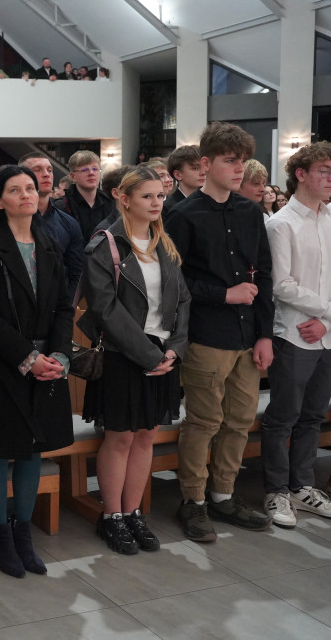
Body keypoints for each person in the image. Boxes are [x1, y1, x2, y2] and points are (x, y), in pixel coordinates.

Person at [0, 164, 73, 578]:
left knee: (31, 450)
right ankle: (0, 534)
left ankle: (24, 533)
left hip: (45, 363)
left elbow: (63, 308)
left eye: (30, 188)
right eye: (14, 189)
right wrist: (27, 357)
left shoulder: (50, 243)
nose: (26, 194)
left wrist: (59, 356)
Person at [166, 122, 274, 542]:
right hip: (207, 333)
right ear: (206, 164)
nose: (239, 169)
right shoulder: (182, 214)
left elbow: (263, 274)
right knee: (204, 420)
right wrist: (223, 294)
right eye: (231, 161)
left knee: (240, 420)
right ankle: (192, 501)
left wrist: (265, 334)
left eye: (242, 161)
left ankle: (223, 494)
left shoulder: (250, 212)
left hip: (248, 336)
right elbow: (174, 281)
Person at [80, 167, 191, 555]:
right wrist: (149, 354)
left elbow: (183, 301)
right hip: (123, 355)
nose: (157, 203)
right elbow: (106, 310)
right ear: (123, 199)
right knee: (120, 436)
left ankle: (133, 512)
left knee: (147, 435)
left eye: (161, 196)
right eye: (147, 196)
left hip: (164, 353)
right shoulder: (105, 245)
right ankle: (111, 515)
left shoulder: (165, 243)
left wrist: (175, 349)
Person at [260, 141, 331, 527]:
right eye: (324, 170)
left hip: (327, 334)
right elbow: (282, 284)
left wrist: (329, 319)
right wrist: (328, 312)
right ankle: (276, 491)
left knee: (313, 416)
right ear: (301, 174)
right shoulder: (280, 223)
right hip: (293, 333)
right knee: (283, 417)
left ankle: (303, 487)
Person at [20, 153, 84, 299]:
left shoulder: (68, 223)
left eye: (49, 170)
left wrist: (67, 309)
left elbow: (76, 273)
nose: (46, 174)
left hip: (58, 307)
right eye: (38, 170)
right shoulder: (12, 220)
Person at [54, 150, 113, 242]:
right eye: (85, 170)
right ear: (73, 177)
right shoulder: (62, 206)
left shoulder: (110, 203)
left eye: (95, 169)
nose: (91, 173)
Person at [164, 145, 204, 215]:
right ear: (178, 175)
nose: (203, 173)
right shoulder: (167, 208)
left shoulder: (210, 201)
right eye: (195, 168)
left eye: (204, 167)